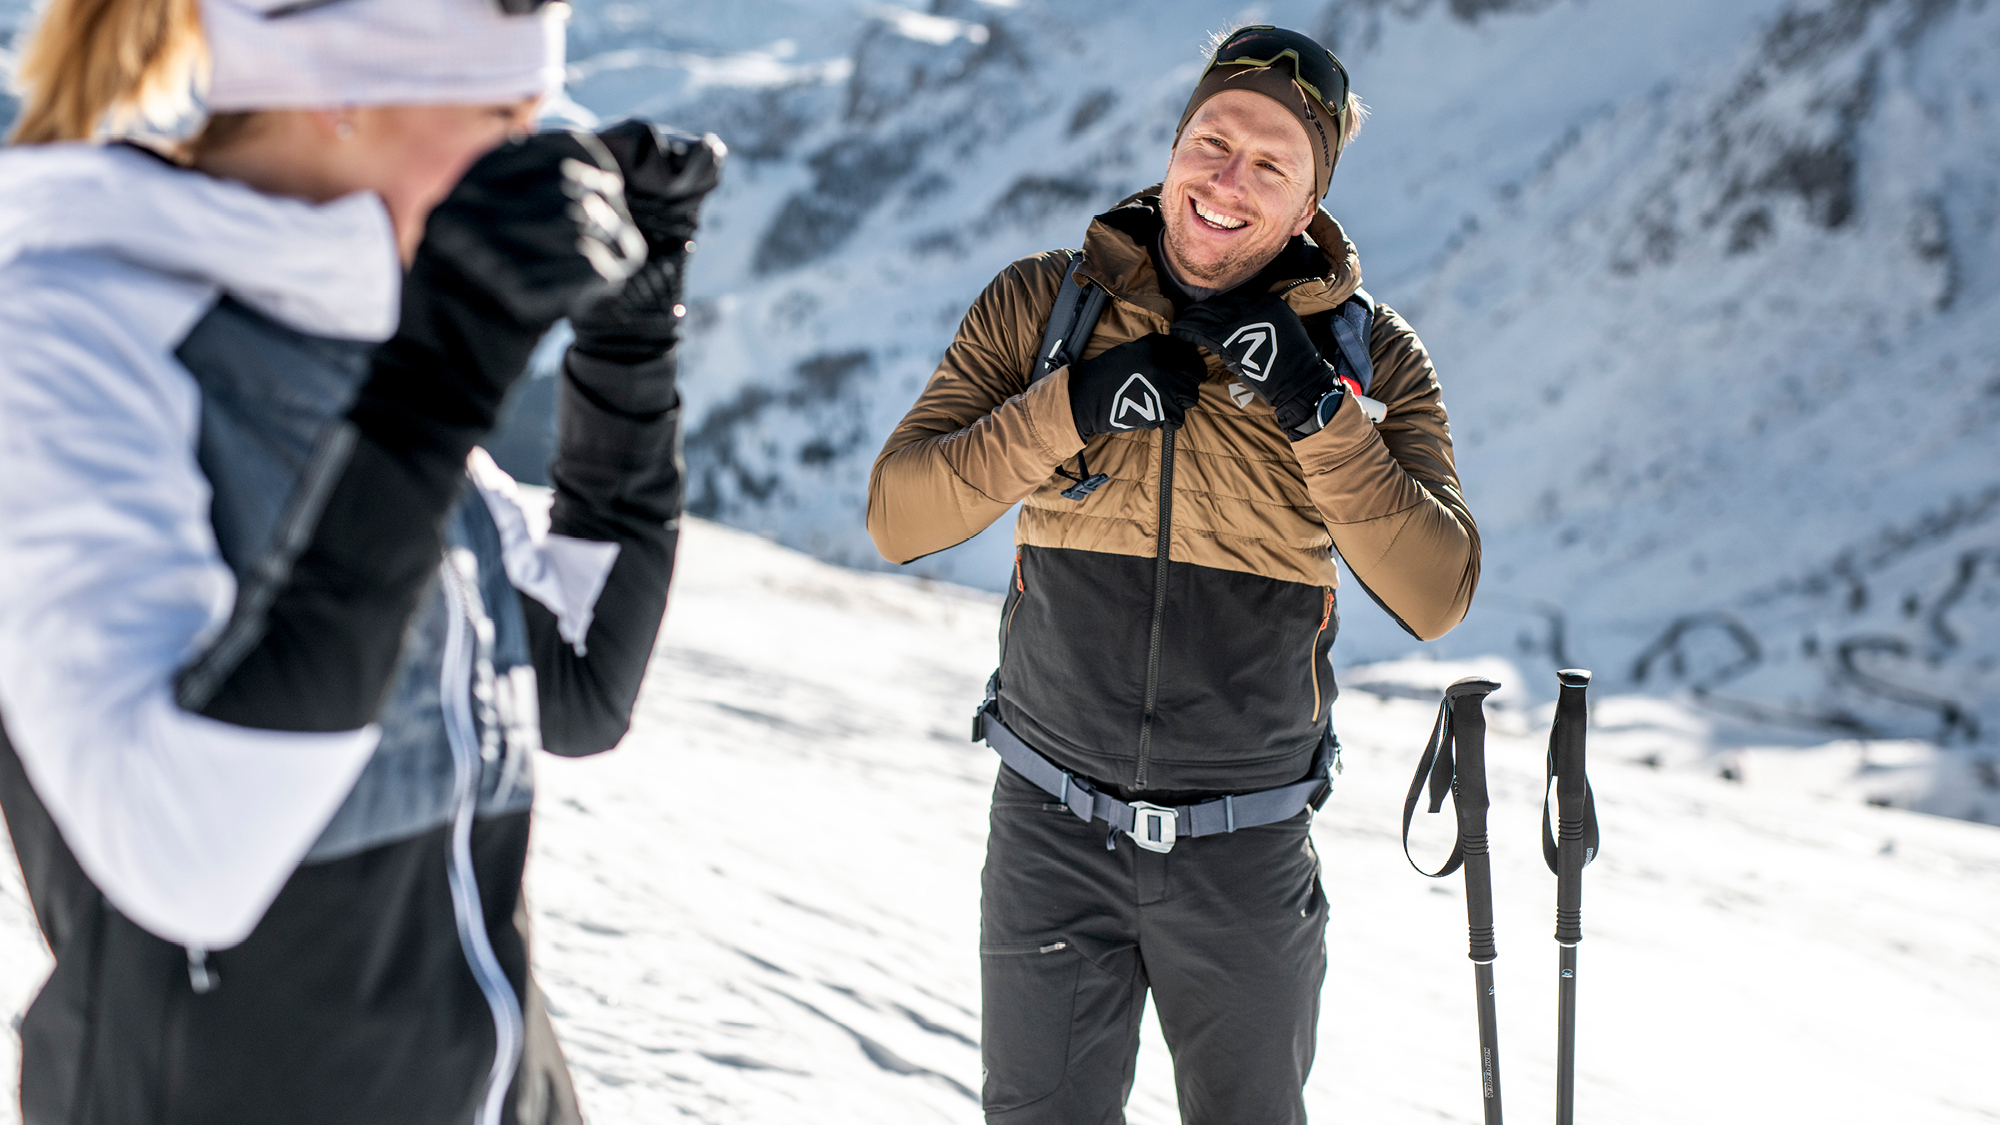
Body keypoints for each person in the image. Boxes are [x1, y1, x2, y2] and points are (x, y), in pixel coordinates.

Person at [0, 0, 720, 1120]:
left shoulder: (356, 336)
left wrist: (628, 338)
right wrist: (437, 375)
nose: (532, 159)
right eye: (500, 114)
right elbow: (180, 852)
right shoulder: (69, 335)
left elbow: (576, 687)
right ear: (336, 88)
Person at [868, 24, 1480, 1124]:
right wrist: (1070, 405)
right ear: (1171, 145)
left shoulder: (1369, 359)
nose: (1224, 180)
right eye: (1209, 140)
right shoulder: (1042, 307)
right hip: (1049, 833)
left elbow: (1435, 592)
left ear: (1308, 207)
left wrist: (1315, 411)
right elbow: (899, 515)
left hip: (1243, 855)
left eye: (1268, 164)